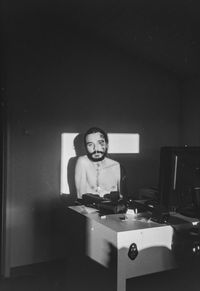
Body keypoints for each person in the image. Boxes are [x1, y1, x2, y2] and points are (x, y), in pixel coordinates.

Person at [75, 127, 122, 199]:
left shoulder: (115, 165)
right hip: (90, 209)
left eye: (100, 143)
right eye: (90, 145)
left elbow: (121, 196)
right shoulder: (83, 162)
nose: (96, 149)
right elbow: (80, 196)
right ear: (86, 147)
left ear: (106, 145)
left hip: (113, 208)